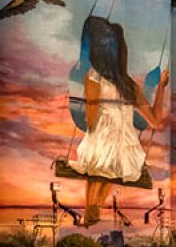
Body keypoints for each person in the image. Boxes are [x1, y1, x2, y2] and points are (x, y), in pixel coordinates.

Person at [69, 17, 170, 226]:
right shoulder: (129, 85)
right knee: (110, 167)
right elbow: (155, 121)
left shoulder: (93, 76)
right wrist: (161, 86)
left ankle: (91, 209)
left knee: (97, 162)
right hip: (124, 147)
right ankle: (94, 209)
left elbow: (91, 117)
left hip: (105, 139)